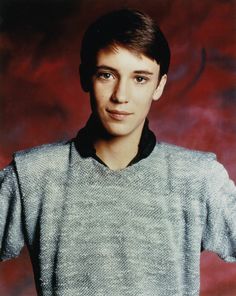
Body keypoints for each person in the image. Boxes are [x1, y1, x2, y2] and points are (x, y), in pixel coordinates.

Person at [0, 8, 235, 296]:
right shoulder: (31, 176)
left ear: (159, 85)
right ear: (86, 77)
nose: (121, 96)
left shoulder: (198, 178)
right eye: (107, 75)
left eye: (140, 78)